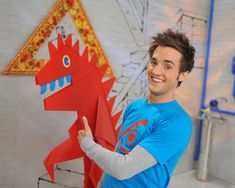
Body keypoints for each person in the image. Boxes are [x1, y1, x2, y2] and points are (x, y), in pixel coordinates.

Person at [78, 29, 195, 188]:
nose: (155, 71)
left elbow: (123, 168)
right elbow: (119, 151)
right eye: (154, 62)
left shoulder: (178, 122)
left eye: (167, 66)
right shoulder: (134, 107)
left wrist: (87, 144)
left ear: (182, 75)